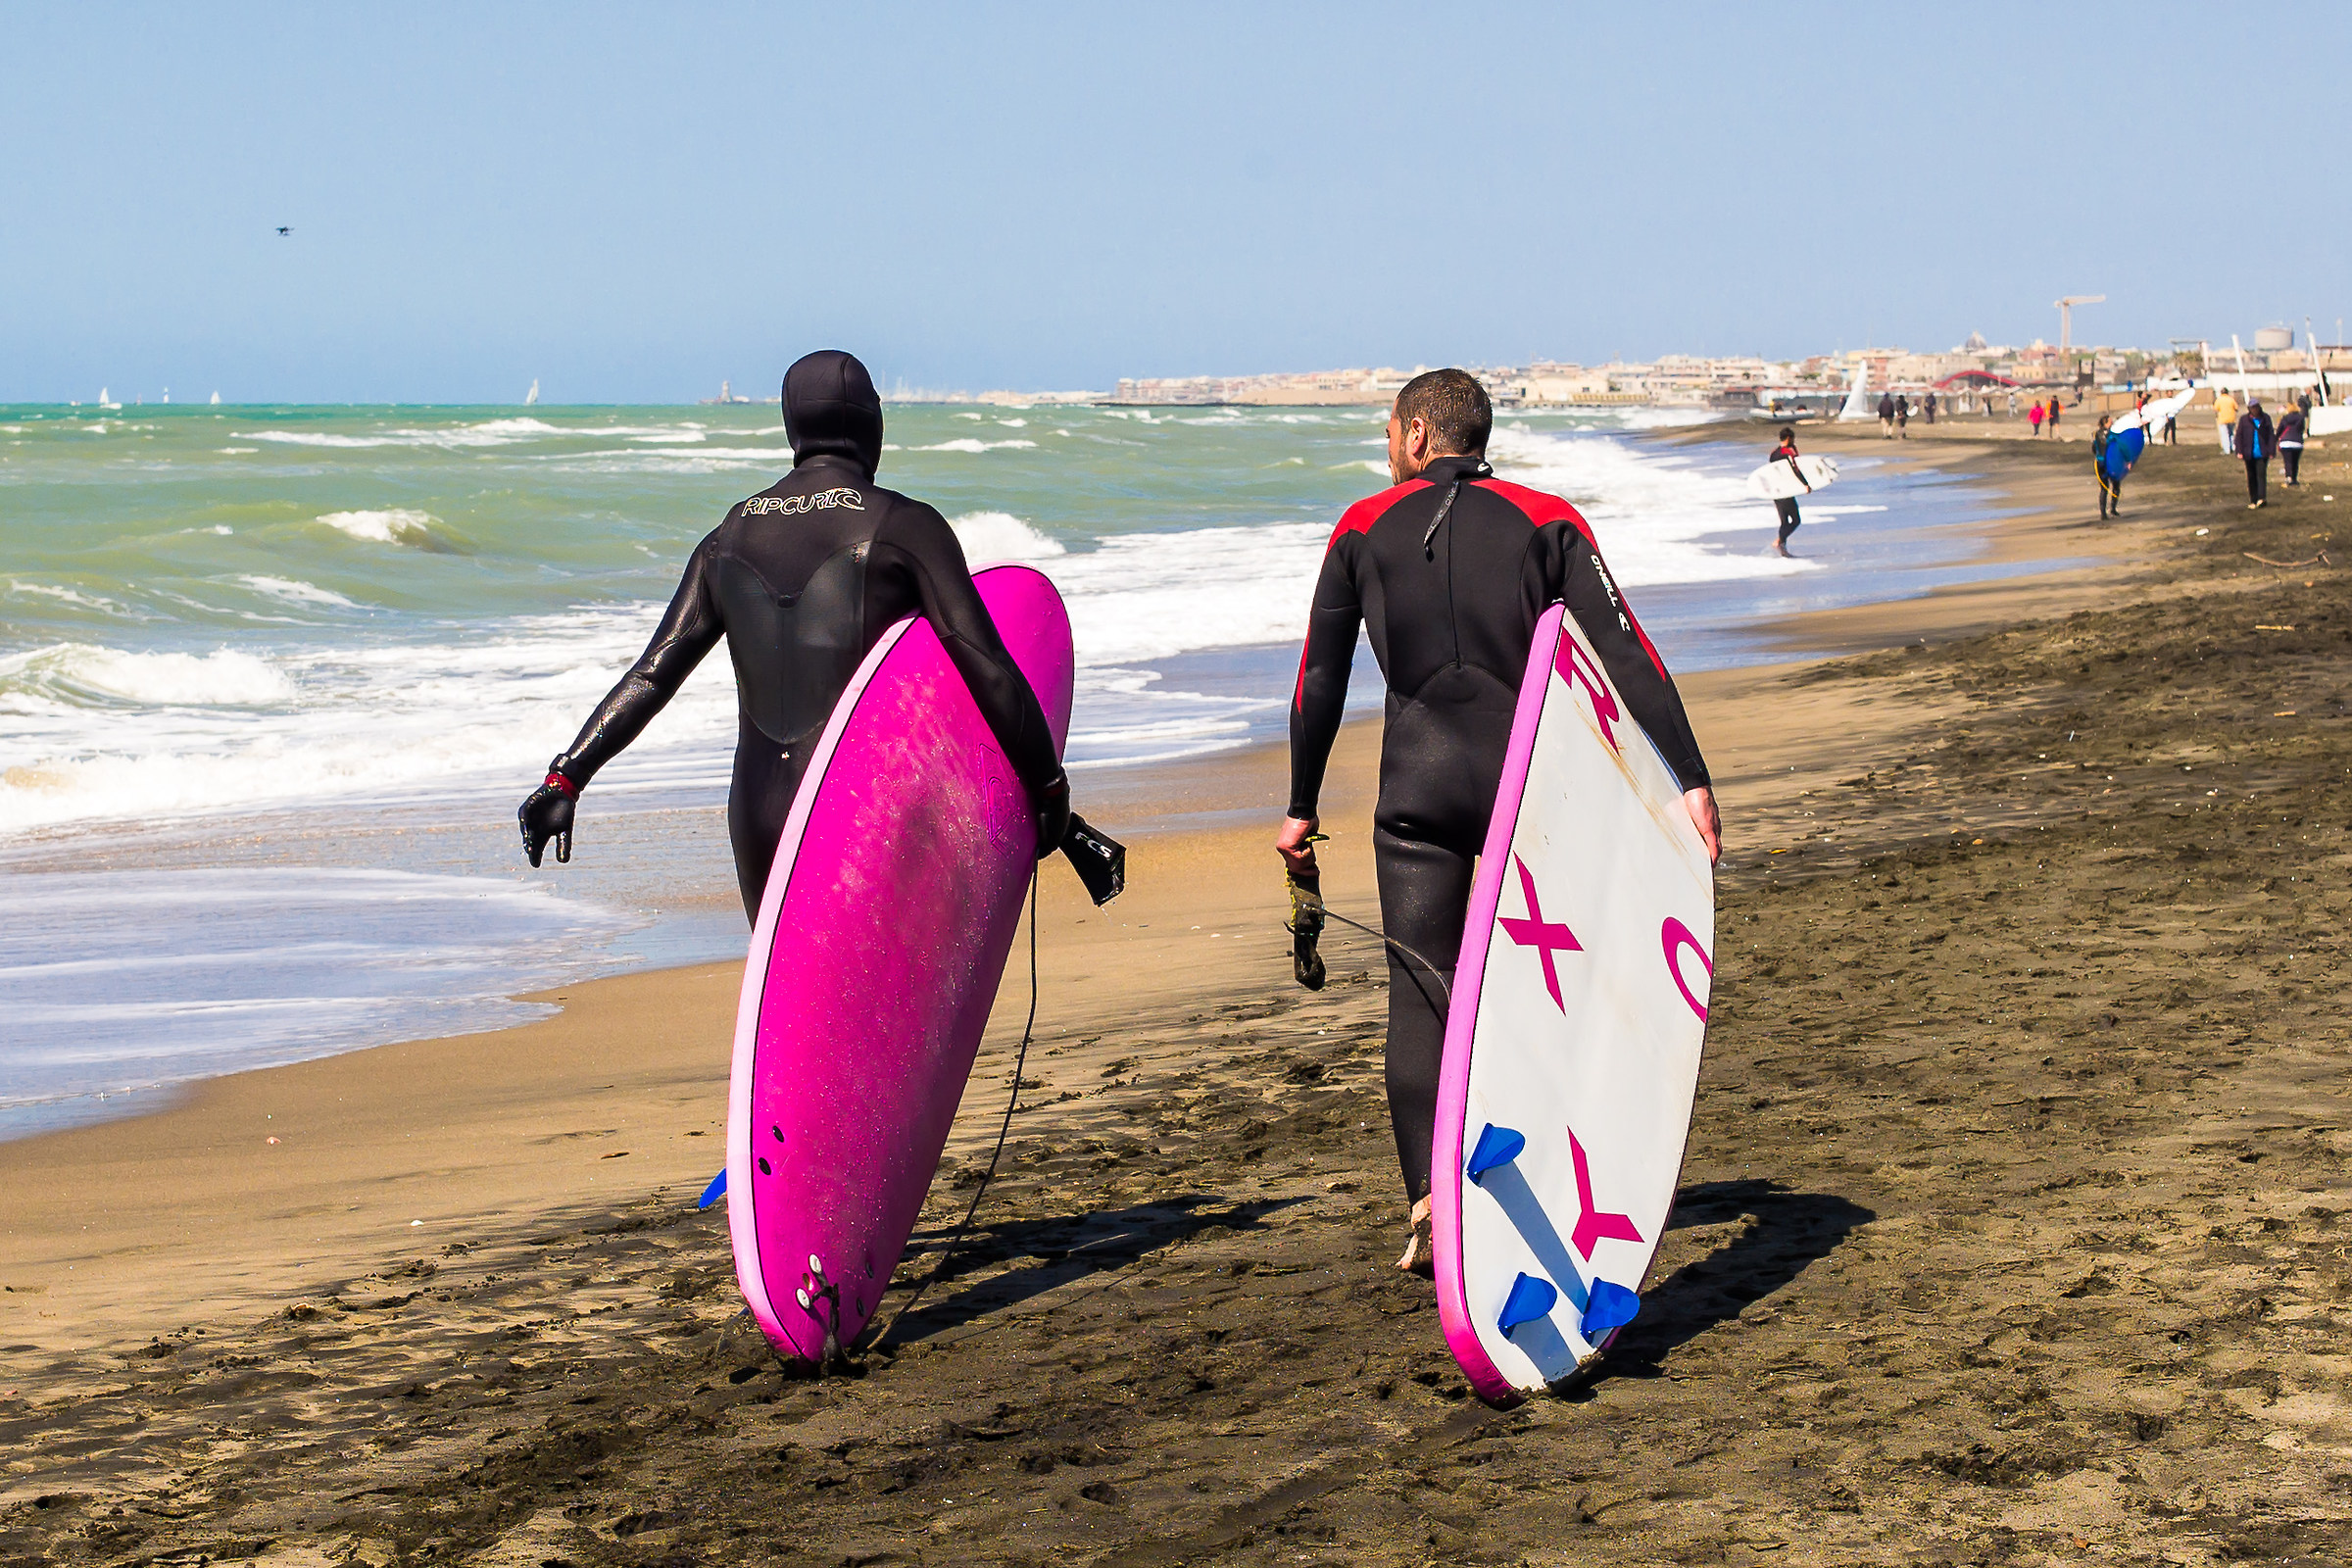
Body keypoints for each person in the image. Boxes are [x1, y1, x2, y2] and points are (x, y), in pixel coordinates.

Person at [1276, 369, 1719, 1274]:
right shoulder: (1547, 518)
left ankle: (1429, 1201)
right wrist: (1691, 778)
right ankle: (1554, 1173)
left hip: (1417, 794)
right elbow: (1628, 649)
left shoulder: (1361, 527)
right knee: (1553, 986)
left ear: (1412, 433)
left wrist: (1300, 806)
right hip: (1533, 791)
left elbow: (1319, 678)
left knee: (1420, 985)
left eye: (1386, 432)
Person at [516, 349, 1074, 920]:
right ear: (871, 422)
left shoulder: (728, 536)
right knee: (867, 991)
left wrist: (567, 776)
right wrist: (1050, 787)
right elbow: (987, 668)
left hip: (756, 816)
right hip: (860, 807)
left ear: (792, 426)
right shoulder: (906, 527)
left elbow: (653, 674)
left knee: (797, 996)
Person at [1769, 424, 1809, 557]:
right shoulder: (1788, 452)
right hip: (1786, 491)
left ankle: (1783, 551)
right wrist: (1805, 484)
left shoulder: (1773, 453)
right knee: (1796, 520)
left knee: (1784, 522)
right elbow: (1795, 469)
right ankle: (1779, 541)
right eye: (1792, 439)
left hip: (1776, 491)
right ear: (1788, 438)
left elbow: (1771, 472)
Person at [2236, 396, 2276, 508]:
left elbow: (2270, 435)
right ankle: (2253, 500)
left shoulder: (2265, 418)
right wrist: (2239, 451)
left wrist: (2271, 450)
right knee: (2251, 477)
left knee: (2261, 475)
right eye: (2252, 408)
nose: (2255, 410)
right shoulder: (2244, 420)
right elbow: (2239, 435)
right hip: (2248, 453)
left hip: (2262, 453)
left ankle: (2261, 498)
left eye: (2256, 407)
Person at [2091, 414, 2124, 519]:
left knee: (2106, 488)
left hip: (2101, 463)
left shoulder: (2095, 434)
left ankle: (2105, 513)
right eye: (2110, 421)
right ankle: (2111, 510)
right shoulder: (2113, 436)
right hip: (2109, 464)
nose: (2112, 423)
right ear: (2105, 423)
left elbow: (2094, 449)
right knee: (2113, 487)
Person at [2278, 402, 2307, 486]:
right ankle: (2294, 479)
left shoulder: (2285, 418)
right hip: (2297, 443)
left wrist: (2275, 440)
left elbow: (2280, 430)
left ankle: (2288, 477)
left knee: (2288, 461)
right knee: (2295, 461)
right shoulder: (2301, 418)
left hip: (2285, 443)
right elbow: (2302, 429)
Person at [2214, 387, 2239, 455]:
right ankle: (2233, 448)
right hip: (2231, 419)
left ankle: (2226, 450)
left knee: (2225, 435)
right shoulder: (2231, 399)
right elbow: (2236, 408)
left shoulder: (2219, 400)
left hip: (2222, 420)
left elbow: (2216, 409)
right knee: (2231, 434)